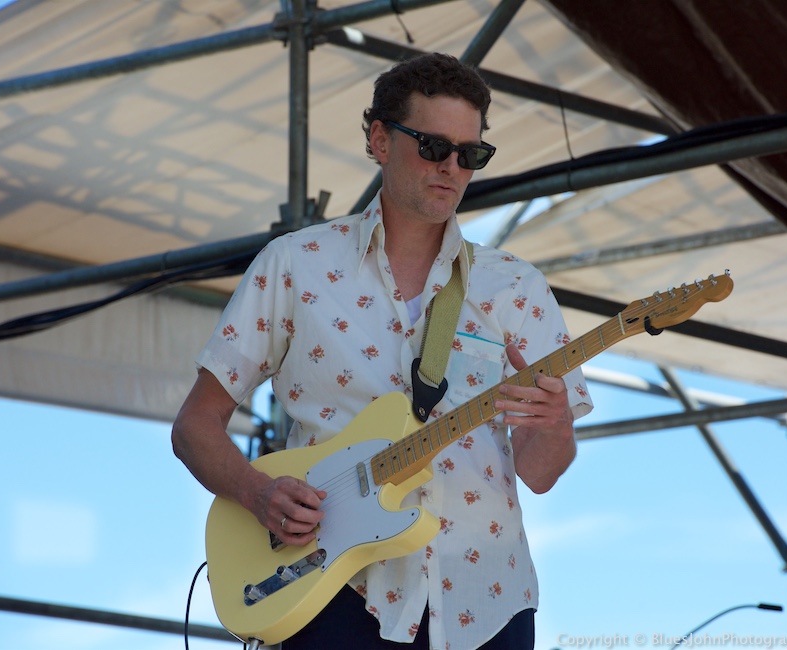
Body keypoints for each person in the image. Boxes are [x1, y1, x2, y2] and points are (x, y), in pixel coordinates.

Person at [172, 52, 593, 650]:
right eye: (432, 146)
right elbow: (195, 425)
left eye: (469, 155)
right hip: (328, 589)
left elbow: (541, 473)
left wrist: (553, 426)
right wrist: (256, 492)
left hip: (484, 598)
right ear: (378, 138)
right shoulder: (297, 263)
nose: (451, 167)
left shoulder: (514, 287)